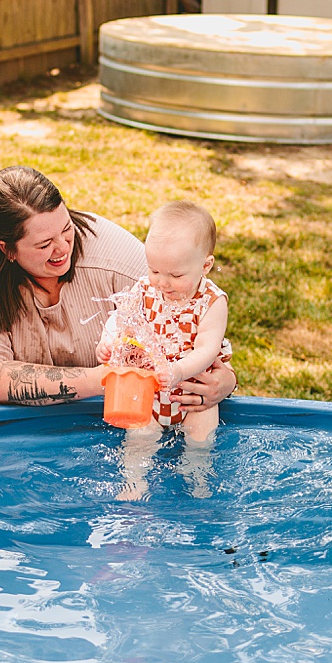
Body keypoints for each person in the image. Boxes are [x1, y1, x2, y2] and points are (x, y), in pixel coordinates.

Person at [0, 166, 238, 413]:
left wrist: (226, 380)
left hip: (101, 398)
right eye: (44, 244)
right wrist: (108, 377)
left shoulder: (117, 258)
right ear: (8, 250)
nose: (62, 249)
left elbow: (192, 325)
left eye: (67, 229)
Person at [97, 201, 228, 499]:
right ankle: (134, 484)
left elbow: (208, 349)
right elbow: (120, 318)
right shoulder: (145, 289)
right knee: (138, 438)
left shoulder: (212, 301)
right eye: (154, 269)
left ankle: (198, 485)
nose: (163, 283)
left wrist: (178, 369)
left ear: (205, 265)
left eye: (176, 275)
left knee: (200, 441)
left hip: (194, 395)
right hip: (150, 392)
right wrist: (107, 342)